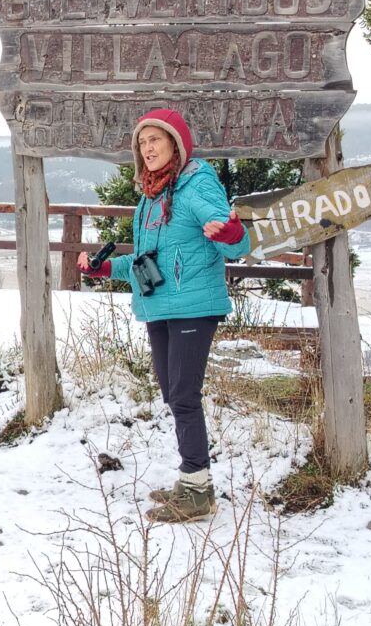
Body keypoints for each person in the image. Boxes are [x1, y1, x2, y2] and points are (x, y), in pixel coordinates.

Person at [77, 108, 250, 523]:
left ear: (176, 142)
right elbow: (143, 261)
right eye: (142, 142)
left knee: (185, 396)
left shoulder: (196, 184)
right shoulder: (151, 197)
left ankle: (197, 489)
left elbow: (235, 245)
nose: (148, 148)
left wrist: (231, 234)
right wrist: (103, 269)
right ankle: (193, 481)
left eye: (156, 139)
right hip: (160, 307)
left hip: (193, 305)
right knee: (173, 396)